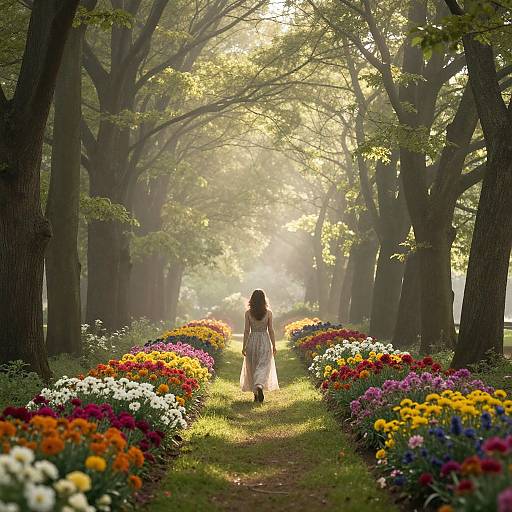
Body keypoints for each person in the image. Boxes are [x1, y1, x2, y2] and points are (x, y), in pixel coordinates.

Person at [240, 289, 279, 402]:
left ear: (252, 300)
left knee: (252, 366)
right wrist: (274, 345)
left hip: (252, 341)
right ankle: (259, 386)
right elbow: (271, 330)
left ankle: (256, 392)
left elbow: (247, 330)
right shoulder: (269, 313)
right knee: (263, 366)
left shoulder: (248, 313)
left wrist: (244, 346)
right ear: (263, 300)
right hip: (264, 341)